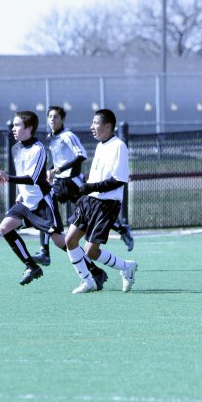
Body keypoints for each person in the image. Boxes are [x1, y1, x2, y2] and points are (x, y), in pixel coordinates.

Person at [0, 110, 107, 289]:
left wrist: (8, 178)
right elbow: (22, 174)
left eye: (17, 125)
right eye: (13, 125)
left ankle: (95, 271)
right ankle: (31, 266)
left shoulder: (38, 148)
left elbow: (32, 178)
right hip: (25, 202)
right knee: (4, 228)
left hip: (42, 201)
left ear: (29, 128)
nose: (13, 129)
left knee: (60, 241)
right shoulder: (16, 148)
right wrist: (19, 193)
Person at [33, 106, 134, 266]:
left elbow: (81, 155)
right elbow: (59, 160)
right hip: (64, 184)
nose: (52, 120)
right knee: (46, 207)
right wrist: (52, 170)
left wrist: (63, 170)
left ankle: (121, 231)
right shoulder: (53, 137)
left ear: (63, 120)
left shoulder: (70, 136)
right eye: (50, 117)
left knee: (91, 241)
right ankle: (45, 250)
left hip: (74, 183)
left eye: (56, 117)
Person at [65, 108, 138, 294]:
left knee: (90, 251)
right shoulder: (100, 145)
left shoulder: (119, 146)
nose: (92, 127)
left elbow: (118, 180)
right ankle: (87, 281)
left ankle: (126, 266)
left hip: (107, 204)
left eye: (96, 123)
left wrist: (91, 187)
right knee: (70, 240)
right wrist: (86, 189)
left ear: (108, 126)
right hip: (90, 201)